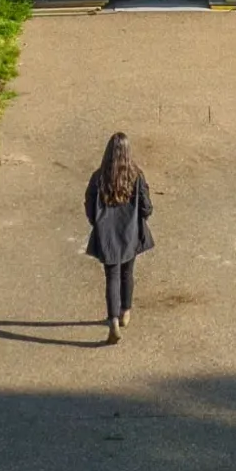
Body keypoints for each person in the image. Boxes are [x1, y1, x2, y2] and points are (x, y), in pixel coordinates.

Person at [83, 132, 152, 341]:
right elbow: (146, 206)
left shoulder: (98, 177)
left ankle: (112, 319)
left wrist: (97, 223)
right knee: (127, 273)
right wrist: (141, 218)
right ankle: (125, 311)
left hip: (107, 237)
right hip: (130, 234)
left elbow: (89, 205)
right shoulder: (136, 175)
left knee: (111, 277)